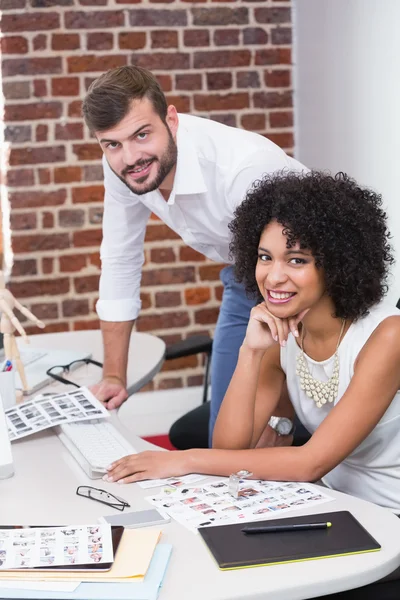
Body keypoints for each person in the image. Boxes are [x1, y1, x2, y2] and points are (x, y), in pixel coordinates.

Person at [103, 171, 400, 518]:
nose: (273, 276)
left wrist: (181, 459)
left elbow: (309, 462)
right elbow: (229, 446)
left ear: (337, 264)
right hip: (333, 501)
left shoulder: (387, 337)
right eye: (264, 257)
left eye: (297, 260)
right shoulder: (285, 331)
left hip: (388, 516)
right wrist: (251, 351)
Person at [82, 65, 306, 444]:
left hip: (309, 280)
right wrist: (114, 377)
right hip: (244, 278)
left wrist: (277, 417)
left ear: (171, 120)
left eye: (142, 134)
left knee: (267, 437)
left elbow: (292, 269)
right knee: (226, 438)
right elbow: (120, 258)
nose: (130, 156)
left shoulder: (243, 169)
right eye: (112, 144)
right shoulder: (121, 163)